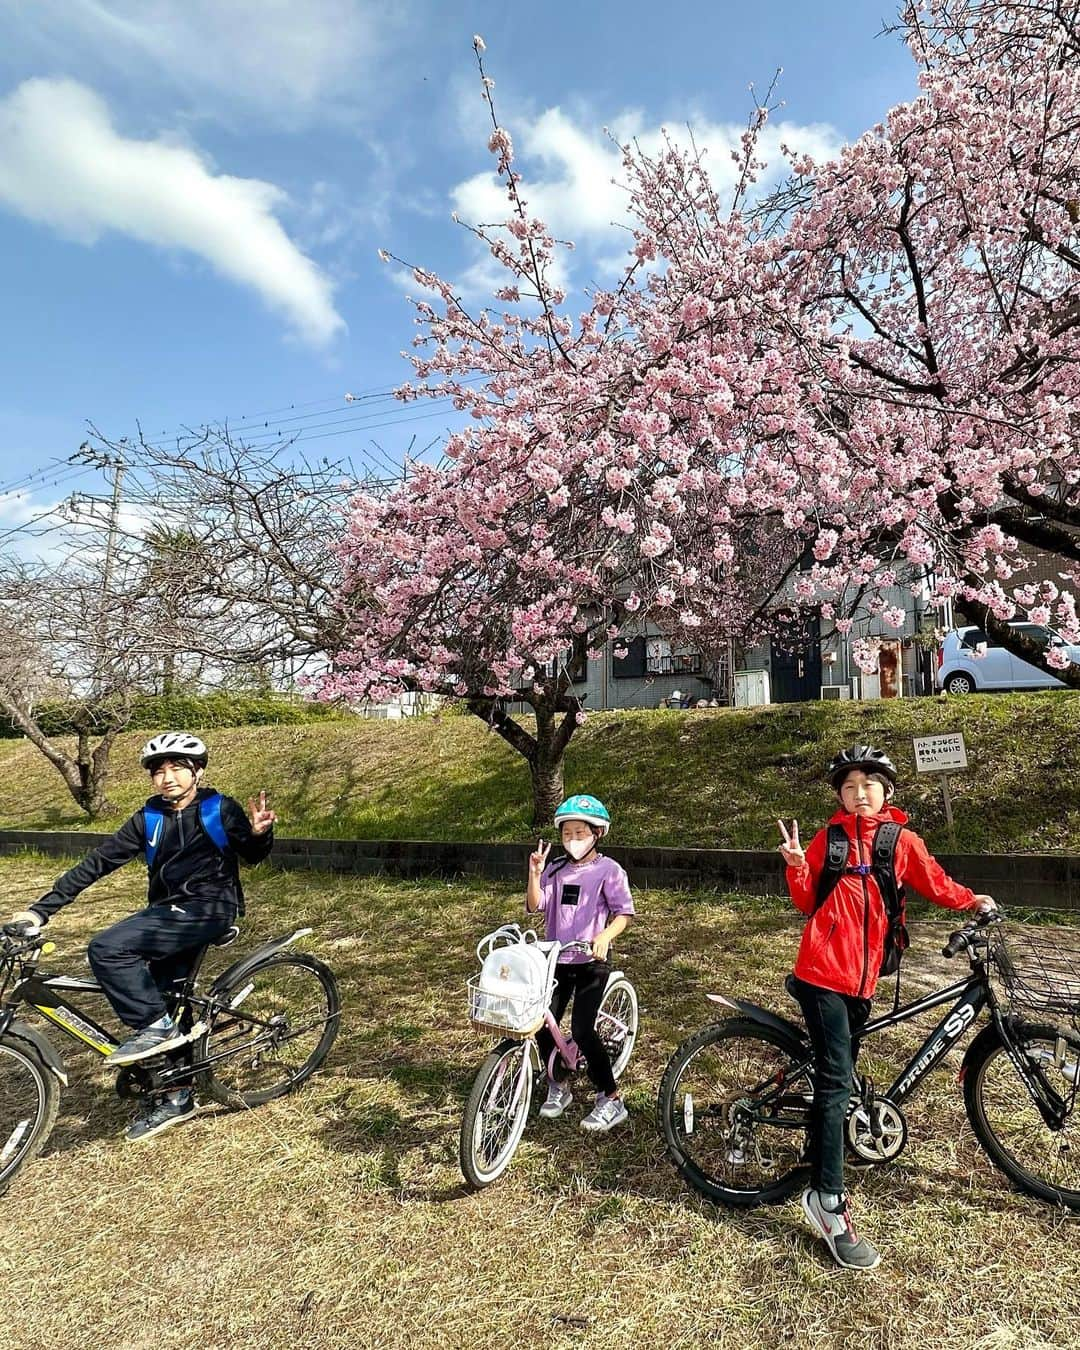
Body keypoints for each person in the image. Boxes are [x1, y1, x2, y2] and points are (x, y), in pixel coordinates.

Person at [777, 744, 995, 1271]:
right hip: (821, 973)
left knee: (838, 1074)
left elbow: (934, 882)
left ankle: (818, 1144)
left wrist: (972, 901)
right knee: (836, 1079)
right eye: (849, 786)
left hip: (863, 979)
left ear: (886, 791)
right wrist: (795, 866)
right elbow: (807, 902)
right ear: (839, 795)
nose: (858, 794)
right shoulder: (827, 840)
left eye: (868, 785)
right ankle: (826, 1201)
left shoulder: (901, 842)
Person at [8, 731, 276, 1142]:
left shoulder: (218, 808)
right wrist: (40, 910)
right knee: (166, 995)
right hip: (167, 911)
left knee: (108, 947)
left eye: (177, 769)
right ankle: (176, 1090)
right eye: (159, 771)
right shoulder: (148, 817)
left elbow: (253, 855)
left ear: (197, 772)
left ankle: (156, 1027)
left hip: (211, 908)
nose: (167, 778)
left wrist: (258, 834)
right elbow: (98, 863)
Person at [526, 793, 635, 1132]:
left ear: (597, 833)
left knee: (583, 1030)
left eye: (579, 832)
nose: (572, 839)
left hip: (591, 961)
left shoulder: (609, 870)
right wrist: (534, 873)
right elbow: (535, 905)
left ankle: (611, 1098)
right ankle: (558, 1084)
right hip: (557, 960)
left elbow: (624, 914)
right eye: (566, 833)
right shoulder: (555, 869)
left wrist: (604, 936)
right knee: (542, 1023)